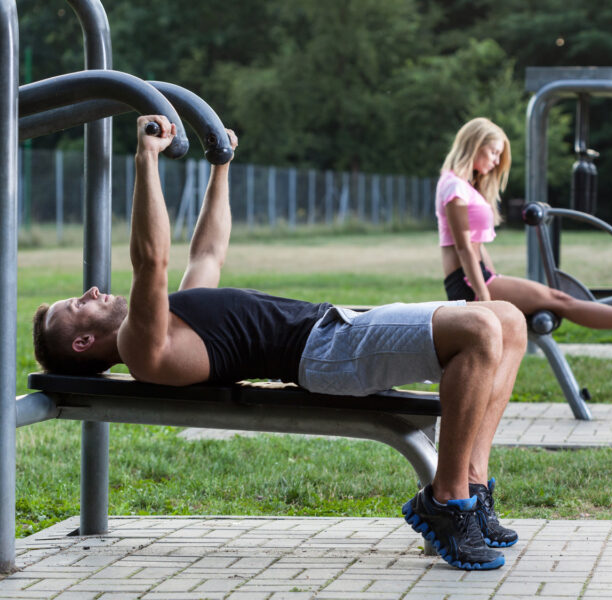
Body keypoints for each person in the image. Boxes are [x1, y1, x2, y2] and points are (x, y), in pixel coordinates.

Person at [32, 115, 528, 571]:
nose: (90, 292)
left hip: (335, 328)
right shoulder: (144, 348)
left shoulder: (170, 320)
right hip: (328, 352)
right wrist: (146, 158)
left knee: (508, 320)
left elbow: (207, 251)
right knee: (480, 331)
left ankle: (473, 485)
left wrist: (221, 167)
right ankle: (447, 500)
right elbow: (150, 260)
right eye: (77, 305)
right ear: (83, 343)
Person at [436, 117, 612, 336]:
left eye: (499, 155)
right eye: (493, 153)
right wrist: (485, 297)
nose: (497, 161)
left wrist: (494, 277)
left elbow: (477, 246)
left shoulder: (463, 186)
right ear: (474, 145)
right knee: (559, 299)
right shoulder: (455, 188)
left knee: (559, 299)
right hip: (469, 281)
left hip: (479, 277)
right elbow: (464, 248)